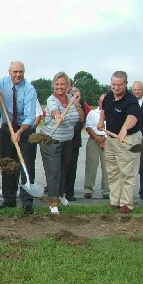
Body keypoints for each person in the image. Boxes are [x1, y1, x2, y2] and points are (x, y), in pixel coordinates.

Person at [0, 61, 37, 215]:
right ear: (9, 72)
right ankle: (9, 199)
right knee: (7, 164)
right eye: (15, 72)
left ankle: (27, 202)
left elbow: (30, 116)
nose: (18, 75)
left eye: (21, 72)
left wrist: (19, 132)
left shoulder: (29, 89)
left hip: (25, 131)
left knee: (26, 166)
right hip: (7, 128)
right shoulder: (1, 81)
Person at [39, 72, 84, 214]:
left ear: (68, 86)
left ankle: (60, 195)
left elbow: (81, 118)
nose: (59, 87)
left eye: (62, 84)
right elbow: (53, 110)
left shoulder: (72, 99)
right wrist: (57, 115)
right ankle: (53, 202)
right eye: (57, 84)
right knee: (54, 172)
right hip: (51, 140)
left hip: (67, 140)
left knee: (64, 170)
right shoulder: (52, 99)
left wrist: (77, 105)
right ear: (53, 86)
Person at [97, 71, 141, 213]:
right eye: (113, 84)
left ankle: (126, 204)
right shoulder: (109, 97)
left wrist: (124, 129)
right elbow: (104, 109)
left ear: (126, 84)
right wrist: (100, 121)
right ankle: (115, 200)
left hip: (127, 139)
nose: (116, 88)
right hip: (111, 139)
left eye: (119, 85)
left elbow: (133, 116)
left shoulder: (131, 100)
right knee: (113, 171)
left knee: (127, 172)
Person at [83, 94, 109, 199]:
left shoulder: (111, 113)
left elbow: (115, 127)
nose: (103, 103)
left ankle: (107, 191)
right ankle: (88, 189)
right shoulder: (92, 113)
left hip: (107, 140)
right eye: (101, 101)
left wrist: (104, 138)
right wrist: (97, 138)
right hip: (94, 139)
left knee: (107, 167)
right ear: (98, 101)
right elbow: (88, 127)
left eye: (105, 101)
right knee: (91, 165)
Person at [64, 87, 87, 201]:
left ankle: (69, 193)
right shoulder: (63, 102)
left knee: (72, 168)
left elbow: (82, 120)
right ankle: (59, 192)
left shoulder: (80, 104)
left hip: (74, 141)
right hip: (63, 139)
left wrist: (77, 103)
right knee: (61, 167)